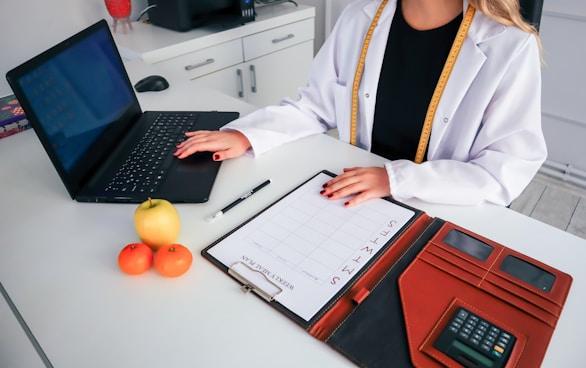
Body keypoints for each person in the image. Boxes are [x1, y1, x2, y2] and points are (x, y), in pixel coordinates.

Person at [174, 0, 546, 207]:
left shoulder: (509, 47)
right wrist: (246, 135)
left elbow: (502, 172)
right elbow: (315, 106)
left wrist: (395, 179)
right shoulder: (359, 19)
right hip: (356, 198)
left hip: (443, 206)